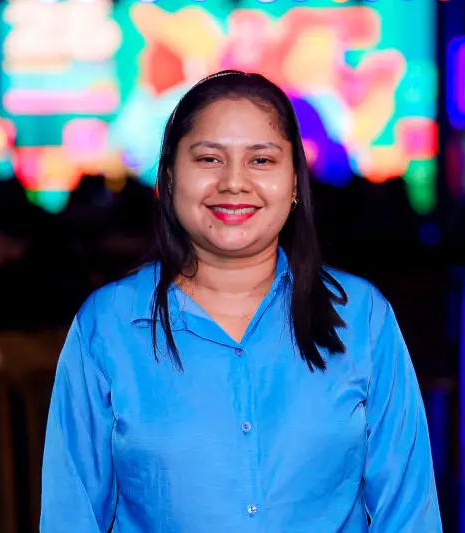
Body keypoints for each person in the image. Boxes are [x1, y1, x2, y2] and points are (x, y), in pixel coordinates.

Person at [41, 70, 442, 533]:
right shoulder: (108, 325)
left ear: (295, 183)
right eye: (209, 158)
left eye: (261, 160)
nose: (234, 182)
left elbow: (408, 515)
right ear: (169, 177)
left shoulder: (361, 317)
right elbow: (70, 516)